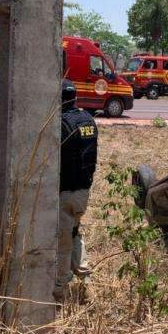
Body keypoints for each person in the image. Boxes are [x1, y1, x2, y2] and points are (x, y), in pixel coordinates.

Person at [54, 79, 98, 302]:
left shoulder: (61, 123)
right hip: (83, 192)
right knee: (74, 232)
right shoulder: (87, 119)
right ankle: (85, 282)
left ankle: (60, 291)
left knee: (62, 243)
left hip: (65, 192)